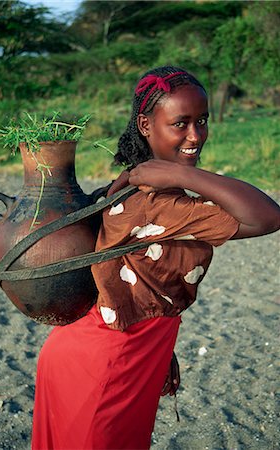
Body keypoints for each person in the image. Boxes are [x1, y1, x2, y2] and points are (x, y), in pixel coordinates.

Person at [31, 66, 280, 450]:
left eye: (202, 121)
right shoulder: (157, 200)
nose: (195, 135)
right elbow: (267, 216)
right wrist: (183, 175)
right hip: (103, 367)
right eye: (180, 123)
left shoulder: (141, 181)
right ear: (146, 125)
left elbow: (130, 274)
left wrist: (162, 351)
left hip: (121, 355)